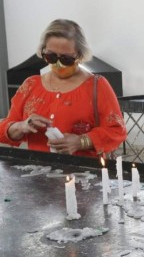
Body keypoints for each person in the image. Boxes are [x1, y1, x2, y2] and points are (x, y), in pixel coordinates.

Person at [0, 19, 127, 157]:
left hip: (83, 174)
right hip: (37, 173)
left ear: (80, 55)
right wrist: (21, 126)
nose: (58, 64)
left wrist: (81, 141)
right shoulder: (30, 85)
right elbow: (5, 128)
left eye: (66, 59)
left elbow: (117, 131)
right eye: (51, 57)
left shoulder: (97, 86)